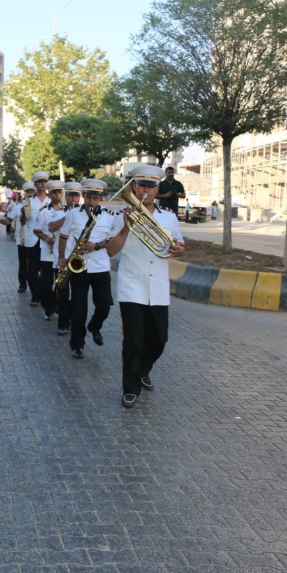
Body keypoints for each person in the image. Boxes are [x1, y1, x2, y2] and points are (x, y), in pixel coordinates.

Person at [106, 165, 185, 408]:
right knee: (133, 341)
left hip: (158, 288)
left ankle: (143, 369)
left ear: (157, 189)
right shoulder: (120, 215)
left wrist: (179, 249)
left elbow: (179, 245)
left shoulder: (168, 218)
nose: (145, 190)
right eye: (141, 186)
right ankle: (130, 387)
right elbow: (110, 250)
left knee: (159, 339)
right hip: (132, 286)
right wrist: (127, 226)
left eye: (151, 186)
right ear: (133, 187)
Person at [58, 178, 119, 359]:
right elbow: (63, 236)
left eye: (96, 198)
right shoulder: (73, 214)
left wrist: (97, 245)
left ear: (101, 197)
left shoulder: (109, 216)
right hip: (79, 268)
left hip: (100, 267)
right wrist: (62, 257)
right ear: (83, 195)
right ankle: (77, 345)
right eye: (89, 198)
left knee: (105, 305)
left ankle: (94, 326)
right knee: (78, 310)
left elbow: (112, 240)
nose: (92, 202)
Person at [33, 181, 67, 320]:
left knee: (60, 284)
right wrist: (47, 239)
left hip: (61, 252)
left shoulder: (67, 210)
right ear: (50, 194)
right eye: (54, 192)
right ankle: (48, 307)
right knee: (47, 283)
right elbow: (37, 230)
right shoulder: (43, 211)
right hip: (47, 252)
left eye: (59, 192)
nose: (57, 195)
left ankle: (56, 306)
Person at [50, 184, 80, 335]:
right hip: (61, 259)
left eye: (75, 195)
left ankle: (73, 321)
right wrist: (68, 217)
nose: (73, 198)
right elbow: (51, 227)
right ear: (66, 197)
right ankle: (63, 323)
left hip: (77, 261)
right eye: (70, 195)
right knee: (62, 294)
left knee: (77, 295)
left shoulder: (85, 214)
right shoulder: (58, 213)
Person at [23, 173, 50, 306]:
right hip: (32, 239)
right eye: (39, 182)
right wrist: (23, 212)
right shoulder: (29, 201)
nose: (42, 184)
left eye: (44, 181)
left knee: (46, 270)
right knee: (32, 270)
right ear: (35, 185)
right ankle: (35, 295)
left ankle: (45, 295)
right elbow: (24, 221)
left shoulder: (51, 200)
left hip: (46, 239)